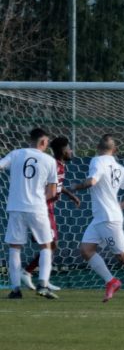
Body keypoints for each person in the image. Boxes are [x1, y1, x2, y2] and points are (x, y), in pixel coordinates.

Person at [70, 134, 124, 309]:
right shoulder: (119, 168)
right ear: (114, 150)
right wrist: (123, 204)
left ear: (97, 147)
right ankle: (111, 281)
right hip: (102, 218)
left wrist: (75, 187)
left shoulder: (97, 161)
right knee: (86, 250)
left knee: (123, 255)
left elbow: (92, 181)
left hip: (108, 218)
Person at [0, 128, 59, 299]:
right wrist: (39, 198)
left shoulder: (16, 154)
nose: (47, 145)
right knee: (46, 245)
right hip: (37, 208)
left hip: (16, 207)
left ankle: (15, 289)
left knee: (15, 248)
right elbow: (52, 192)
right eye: (47, 142)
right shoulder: (49, 160)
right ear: (42, 142)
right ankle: (43, 284)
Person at [21, 136, 81, 292]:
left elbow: (57, 185)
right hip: (44, 208)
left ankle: (37, 276)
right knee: (50, 244)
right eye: (69, 148)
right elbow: (45, 185)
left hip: (50, 208)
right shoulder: (52, 164)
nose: (71, 151)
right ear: (63, 150)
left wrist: (70, 195)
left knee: (51, 245)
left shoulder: (60, 165)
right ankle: (32, 275)